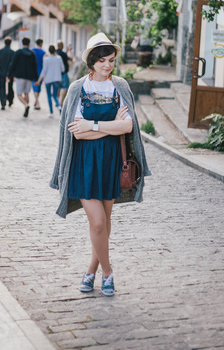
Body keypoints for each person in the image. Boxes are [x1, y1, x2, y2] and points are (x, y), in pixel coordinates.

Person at [49, 32, 151, 297]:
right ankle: (108, 274)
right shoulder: (77, 89)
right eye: (103, 60)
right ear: (91, 62)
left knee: (104, 222)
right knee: (97, 223)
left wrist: (94, 126)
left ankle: (90, 271)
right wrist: (111, 127)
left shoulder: (121, 87)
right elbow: (76, 132)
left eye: (111, 60)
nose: (108, 65)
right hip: (83, 163)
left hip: (111, 162)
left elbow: (128, 126)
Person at [7, 36, 38, 118]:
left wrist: (9, 75)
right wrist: (36, 78)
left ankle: (26, 105)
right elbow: (35, 67)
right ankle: (26, 107)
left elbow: (12, 64)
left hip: (19, 76)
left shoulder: (18, 53)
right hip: (29, 77)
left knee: (19, 94)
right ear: (29, 43)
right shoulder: (32, 54)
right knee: (26, 93)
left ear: (22, 43)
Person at [35, 45, 64, 118]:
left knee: (48, 96)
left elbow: (44, 71)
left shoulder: (46, 59)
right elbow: (62, 69)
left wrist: (39, 80)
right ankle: (59, 106)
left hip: (48, 79)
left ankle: (51, 113)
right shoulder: (59, 58)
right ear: (55, 50)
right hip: (57, 78)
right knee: (55, 95)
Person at [0, 37, 14, 110]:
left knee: (2, 87)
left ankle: (3, 102)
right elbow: (13, 64)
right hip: (10, 73)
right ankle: (10, 100)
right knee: (10, 87)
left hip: (1, 72)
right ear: (10, 43)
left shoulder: (0, 51)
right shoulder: (12, 52)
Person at [56, 41, 73, 105]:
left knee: (57, 87)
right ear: (62, 46)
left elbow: (63, 54)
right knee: (65, 87)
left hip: (56, 74)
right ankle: (61, 101)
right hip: (64, 73)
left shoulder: (55, 53)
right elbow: (71, 58)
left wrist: (66, 51)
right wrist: (70, 51)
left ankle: (57, 101)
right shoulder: (63, 54)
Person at [31, 38, 46, 110]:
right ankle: (37, 102)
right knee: (38, 87)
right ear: (41, 43)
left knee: (35, 86)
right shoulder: (43, 52)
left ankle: (36, 101)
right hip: (40, 70)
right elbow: (44, 63)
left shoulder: (32, 50)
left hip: (33, 70)